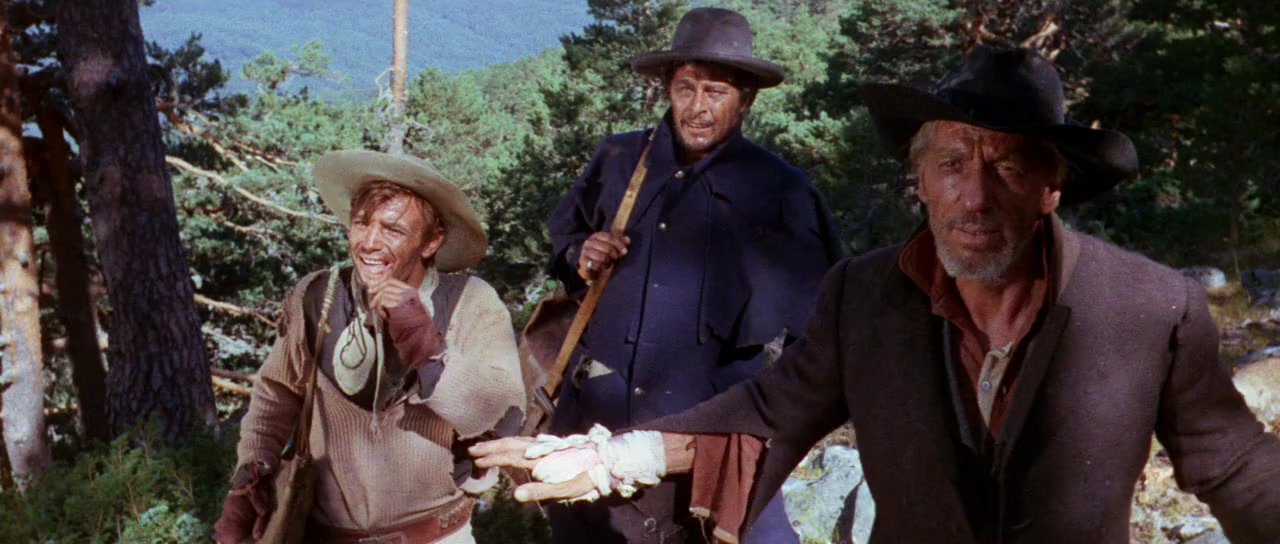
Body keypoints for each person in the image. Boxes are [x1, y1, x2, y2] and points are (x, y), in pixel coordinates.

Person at [474, 46, 1280, 543]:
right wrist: (611, 456)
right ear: (919, 181)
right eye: (952, 163)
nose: (974, 196)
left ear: (1051, 186)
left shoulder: (1148, 306)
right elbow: (768, 412)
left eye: (1007, 165)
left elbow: (1236, 464)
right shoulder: (867, 299)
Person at [540, 6, 843, 544]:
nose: (697, 107)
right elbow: (565, 244)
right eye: (686, 88)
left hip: (705, 444)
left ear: (746, 100)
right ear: (668, 90)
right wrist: (580, 256)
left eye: (716, 92)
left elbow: (824, 334)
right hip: (593, 434)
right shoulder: (618, 160)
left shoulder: (781, 192)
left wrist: (766, 424)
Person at [213, 150, 525, 544]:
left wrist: (428, 349)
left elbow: (505, 417)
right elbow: (275, 396)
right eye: (361, 223)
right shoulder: (317, 296)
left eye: (393, 229)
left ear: (431, 241)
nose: (370, 243)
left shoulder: (470, 301)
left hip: (436, 537)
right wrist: (250, 479)